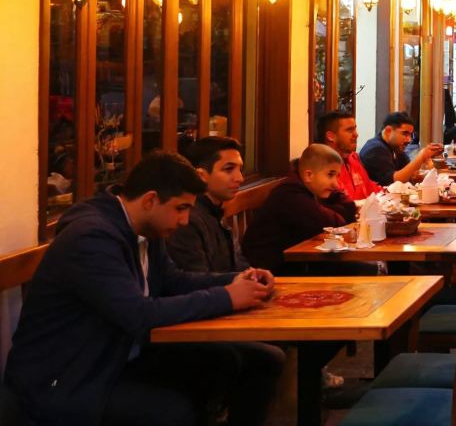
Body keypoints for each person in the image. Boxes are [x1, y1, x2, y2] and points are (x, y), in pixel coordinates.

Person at [5, 152, 282, 426]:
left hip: (117, 354)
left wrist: (238, 280)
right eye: (181, 208)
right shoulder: (92, 238)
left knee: (254, 360)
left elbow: (174, 281)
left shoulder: (144, 227)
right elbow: (139, 316)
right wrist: (227, 298)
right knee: (174, 411)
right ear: (150, 200)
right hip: (70, 376)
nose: (185, 220)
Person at [241, 144, 358, 273]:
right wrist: (330, 210)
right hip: (271, 272)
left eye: (337, 176)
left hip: (297, 264)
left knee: (367, 267)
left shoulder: (306, 184)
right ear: (308, 175)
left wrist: (327, 207)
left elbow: (349, 208)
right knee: (366, 270)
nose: (335, 183)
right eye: (330, 175)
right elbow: (333, 224)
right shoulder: (290, 195)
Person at [168, 136, 249, 273]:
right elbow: (197, 280)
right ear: (201, 175)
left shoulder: (216, 210)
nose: (240, 178)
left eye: (240, 169)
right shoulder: (187, 220)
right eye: (229, 169)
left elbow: (240, 267)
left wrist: (254, 277)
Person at [359, 111, 443, 186]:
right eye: (405, 134)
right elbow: (394, 181)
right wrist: (421, 157)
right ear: (388, 131)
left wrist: (427, 161)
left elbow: (410, 173)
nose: (409, 140)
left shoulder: (395, 148)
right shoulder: (375, 150)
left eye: (410, 135)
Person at [317, 109, 382, 201]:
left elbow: (370, 187)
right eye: (349, 130)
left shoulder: (353, 157)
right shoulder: (321, 166)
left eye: (355, 129)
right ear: (330, 136)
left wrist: (393, 194)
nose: (356, 134)